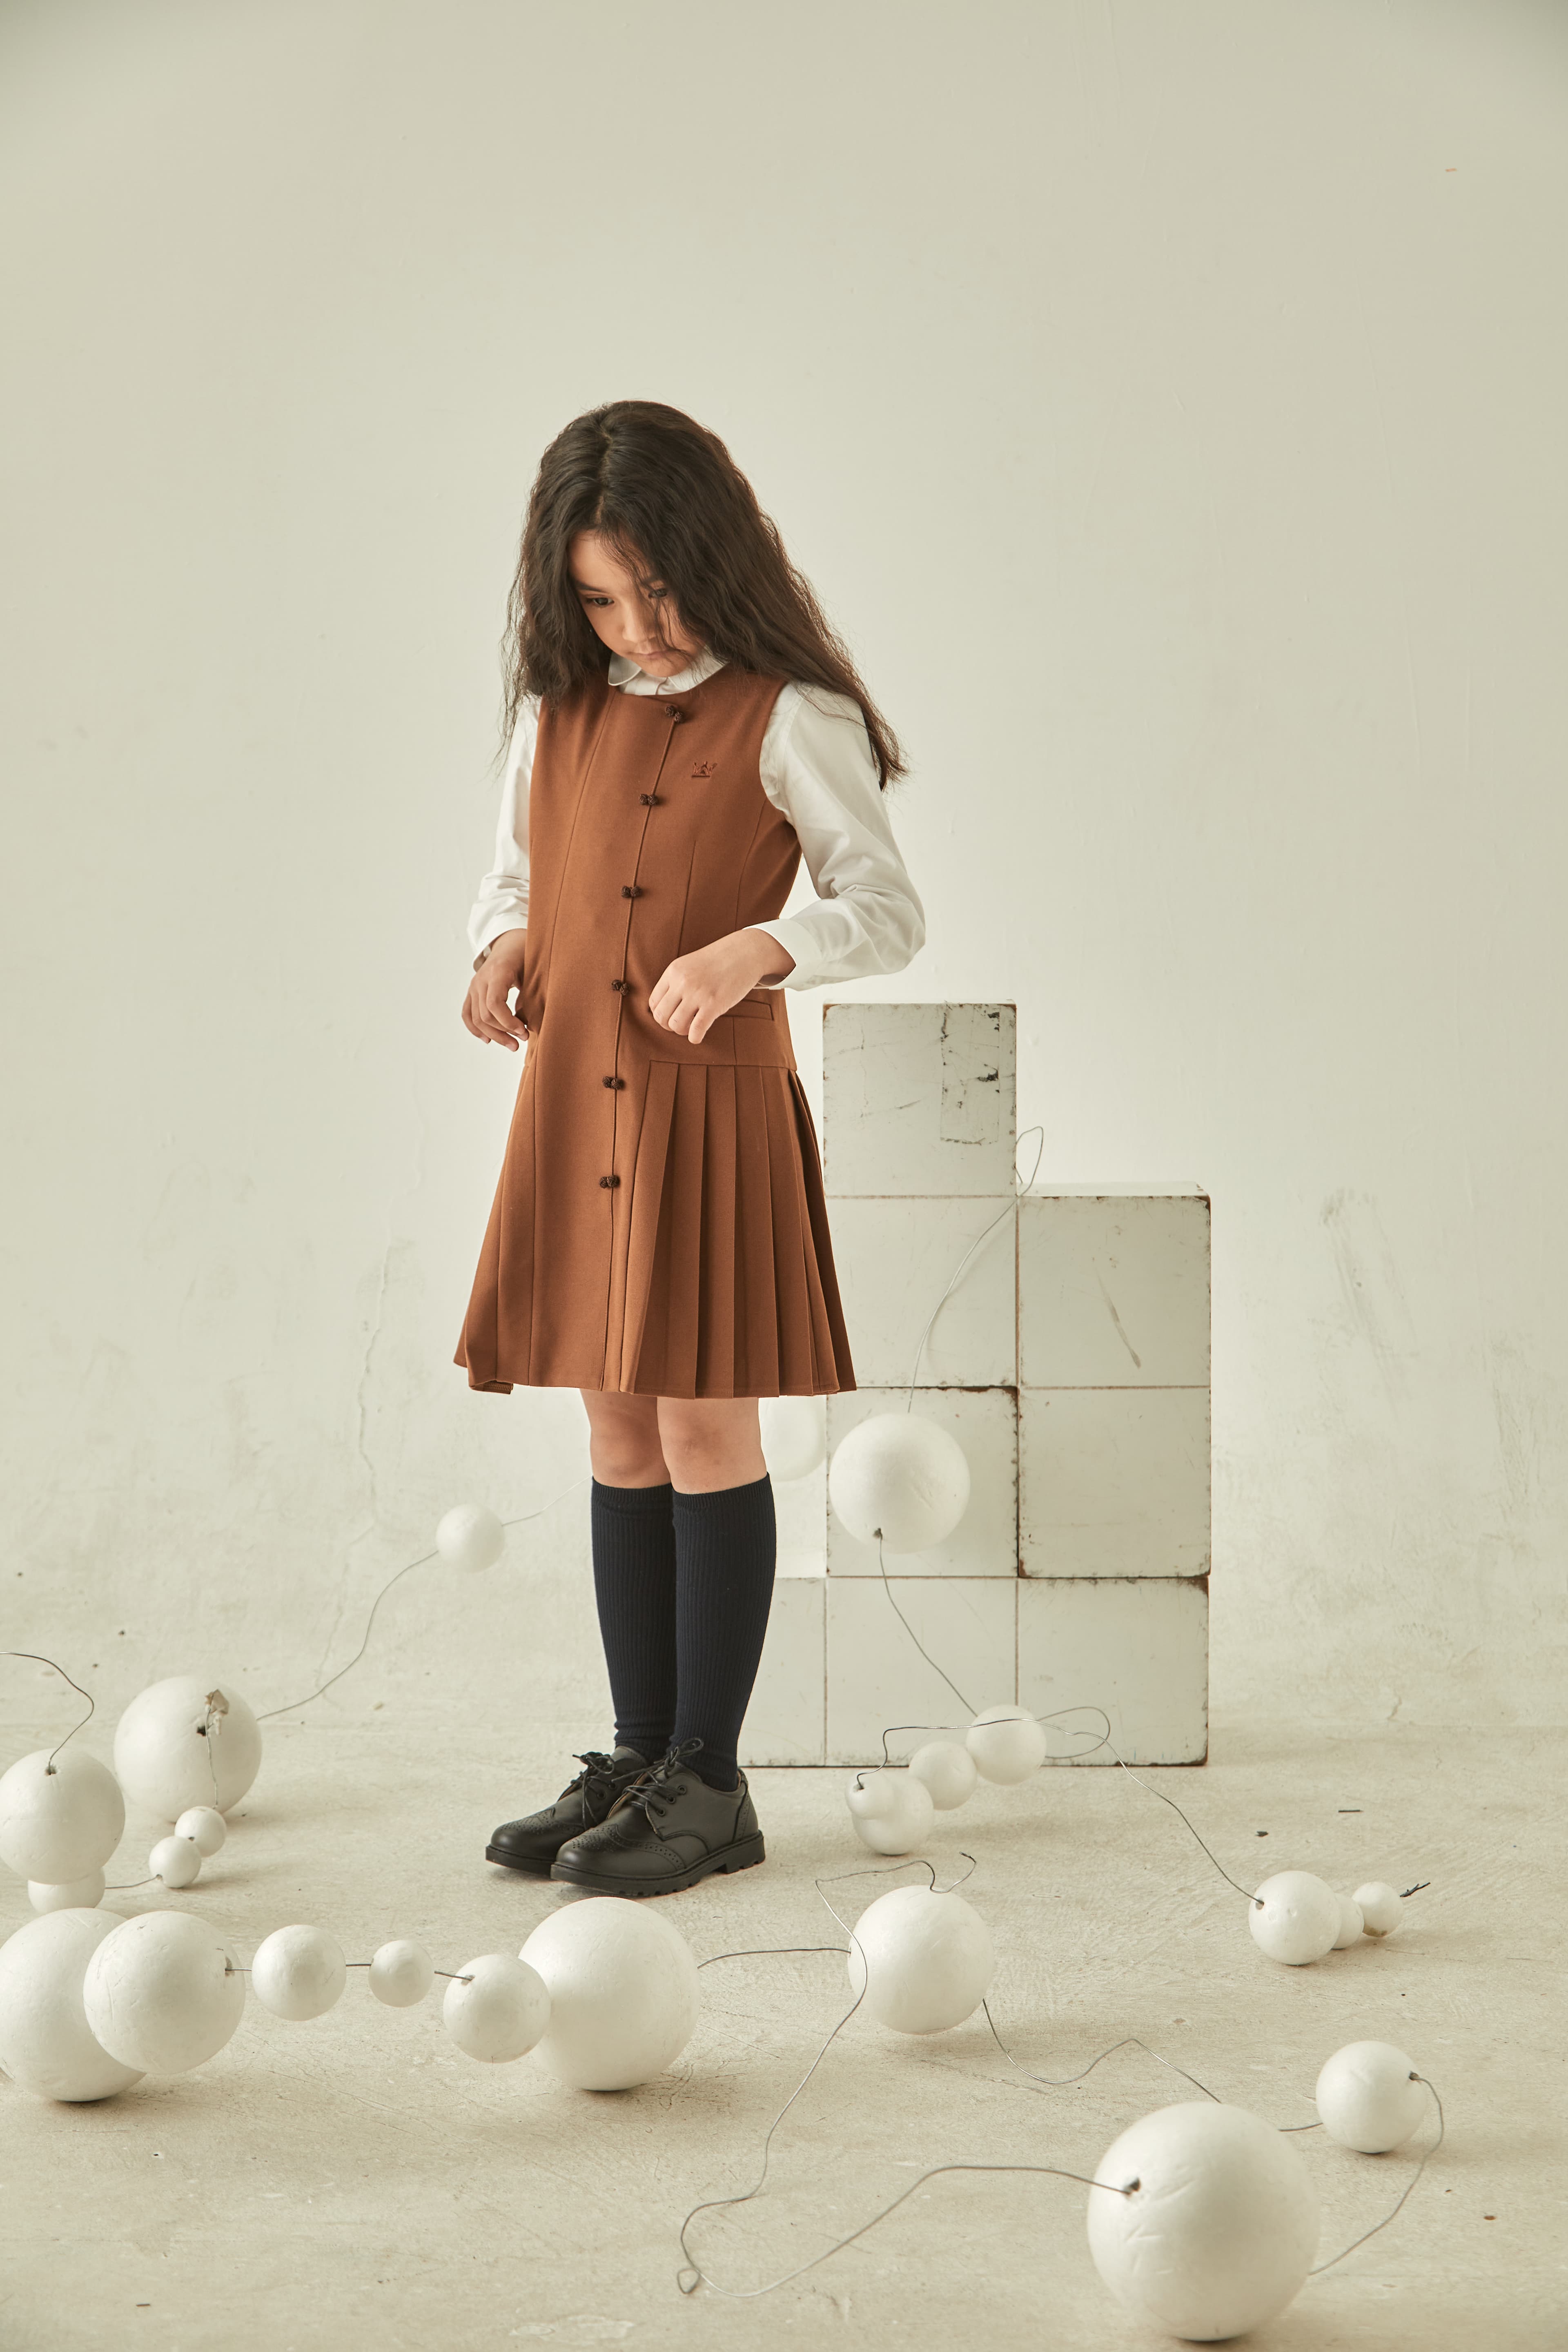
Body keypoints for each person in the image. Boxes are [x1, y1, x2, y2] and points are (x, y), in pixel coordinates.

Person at [453, 400, 925, 1895]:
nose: (638, 632)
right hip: (578, 1100)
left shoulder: (791, 712)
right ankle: (641, 1755)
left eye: (657, 593)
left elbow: (886, 909)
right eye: (601, 602)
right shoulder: (556, 712)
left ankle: (711, 1786)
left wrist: (758, 951)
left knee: (706, 1430)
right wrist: (501, 944)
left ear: (713, 560)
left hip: (707, 1111)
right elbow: (519, 872)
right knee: (615, 1426)